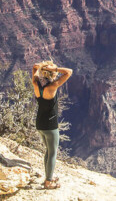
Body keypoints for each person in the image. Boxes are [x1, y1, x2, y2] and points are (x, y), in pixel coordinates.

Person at [31, 60, 73, 190]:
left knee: (48, 152)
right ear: (51, 74)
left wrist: (43, 67)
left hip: (40, 124)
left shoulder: (36, 84)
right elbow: (69, 72)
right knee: (53, 153)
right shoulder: (53, 86)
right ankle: (48, 182)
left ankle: (48, 176)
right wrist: (55, 68)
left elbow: (34, 68)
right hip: (50, 126)